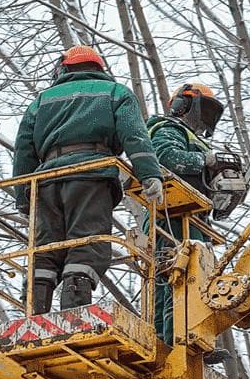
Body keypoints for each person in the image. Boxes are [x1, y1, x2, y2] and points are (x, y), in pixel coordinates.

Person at [13, 45, 164, 314]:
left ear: (64, 68)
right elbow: (135, 136)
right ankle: (73, 310)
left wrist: (24, 195)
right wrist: (149, 174)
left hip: (45, 182)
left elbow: (24, 150)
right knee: (86, 243)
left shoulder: (41, 100)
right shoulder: (115, 93)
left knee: (45, 248)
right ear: (98, 69)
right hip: (92, 175)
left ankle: (33, 312)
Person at [146, 81, 226, 347]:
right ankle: (173, 342)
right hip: (171, 215)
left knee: (193, 280)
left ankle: (185, 339)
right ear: (183, 105)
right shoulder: (166, 128)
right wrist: (206, 161)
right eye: (203, 111)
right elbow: (166, 157)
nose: (203, 120)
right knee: (174, 277)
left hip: (194, 218)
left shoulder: (197, 141)